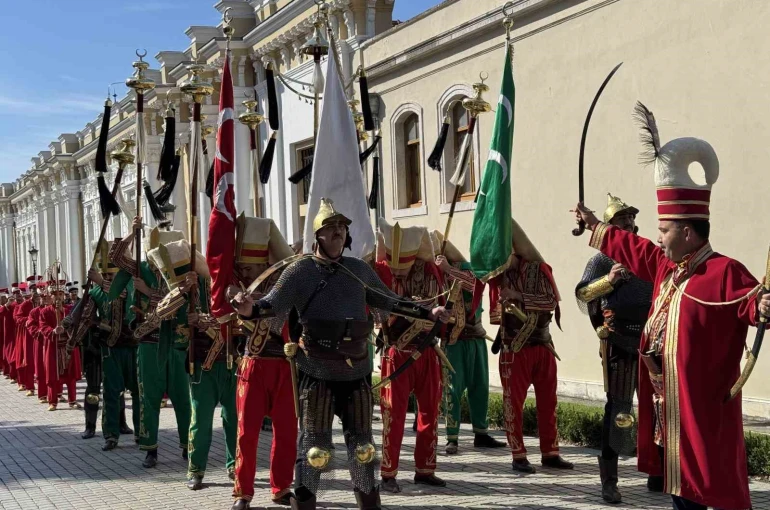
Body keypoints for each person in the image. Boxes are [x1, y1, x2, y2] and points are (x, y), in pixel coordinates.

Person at [574, 101, 770, 510]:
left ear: (686, 230)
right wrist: (595, 226)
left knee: (707, 492)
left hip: (702, 414)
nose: (657, 237)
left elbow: (753, 305)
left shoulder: (725, 272)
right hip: (670, 413)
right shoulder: (668, 266)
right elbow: (632, 247)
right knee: (680, 492)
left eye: (664, 230)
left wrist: (764, 306)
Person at [232, 199, 450, 510]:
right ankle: (304, 505)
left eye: (342, 229)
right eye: (331, 229)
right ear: (318, 235)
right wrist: (249, 309)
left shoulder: (359, 270)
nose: (338, 233)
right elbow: (271, 303)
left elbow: (390, 301)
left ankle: (370, 506)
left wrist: (429, 313)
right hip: (317, 371)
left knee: (363, 448)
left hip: (356, 371)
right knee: (315, 449)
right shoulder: (300, 272)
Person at [575, 194, 662, 503]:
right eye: (622, 218)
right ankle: (609, 481)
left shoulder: (646, 253)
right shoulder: (601, 259)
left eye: (630, 218)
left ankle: (658, 471)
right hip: (620, 340)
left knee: (659, 407)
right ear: (610, 226)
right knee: (619, 410)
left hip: (652, 341)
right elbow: (584, 293)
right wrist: (608, 282)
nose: (629, 222)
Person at [146, 238, 233, 490]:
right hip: (201, 365)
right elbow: (160, 314)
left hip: (230, 360)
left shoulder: (219, 285)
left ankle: (234, 466)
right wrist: (182, 290)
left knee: (234, 418)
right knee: (200, 420)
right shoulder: (179, 294)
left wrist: (206, 321)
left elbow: (237, 320)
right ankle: (196, 470)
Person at [489, 219, 574, 474]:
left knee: (548, 402)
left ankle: (550, 453)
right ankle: (518, 455)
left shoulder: (539, 269)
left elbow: (550, 301)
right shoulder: (501, 276)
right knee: (512, 403)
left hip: (542, 344)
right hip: (514, 348)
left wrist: (518, 297)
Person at [373, 219, 448, 494]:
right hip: (397, 353)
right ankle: (388, 472)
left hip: (427, 351)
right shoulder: (381, 271)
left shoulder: (429, 271)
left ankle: (425, 470)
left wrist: (432, 310)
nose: (398, 270)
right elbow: (379, 314)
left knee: (429, 412)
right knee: (393, 416)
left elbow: (440, 302)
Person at [231, 214, 297, 510]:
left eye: (248, 266)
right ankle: (242, 493)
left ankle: (282, 488)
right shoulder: (233, 288)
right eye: (241, 266)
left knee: (286, 433)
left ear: (263, 264)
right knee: (247, 433)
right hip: (253, 365)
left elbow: (286, 318)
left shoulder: (284, 286)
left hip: (284, 365)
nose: (243, 270)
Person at [115, 220, 191, 469]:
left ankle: (187, 446)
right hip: (149, 342)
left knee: (182, 398)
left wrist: (148, 292)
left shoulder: (180, 271)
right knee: (149, 398)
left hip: (176, 342)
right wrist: (132, 233)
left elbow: (181, 299)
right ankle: (151, 448)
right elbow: (117, 257)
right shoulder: (141, 268)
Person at [433, 235, 506, 455]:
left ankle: (481, 433)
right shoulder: (435, 275)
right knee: (452, 389)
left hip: (475, 338)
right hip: (452, 342)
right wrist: (442, 271)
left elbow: (476, 284)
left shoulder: (466, 269)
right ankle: (452, 437)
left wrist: (448, 269)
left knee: (480, 386)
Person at [88, 239, 141, 451]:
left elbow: (123, 296)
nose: (110, 277)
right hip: (110, 347)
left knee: (138, 392)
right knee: (110, 392)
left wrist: (101, 282)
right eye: (107, 275)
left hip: (133, 346)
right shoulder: (95, 292)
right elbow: (86, 317)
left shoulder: (129, 282)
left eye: (112, 275)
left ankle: (142, 433)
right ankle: (111, 435)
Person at [40, 282, 81, 411]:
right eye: (55, 295)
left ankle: (72, 400)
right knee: (53, 374)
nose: (58, 297)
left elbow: (77, 325)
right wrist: (52, 331)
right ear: (50, 296)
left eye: (60, 294)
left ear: (64, 296)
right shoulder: (45, 311)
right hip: (54, 347)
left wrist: (67, 329)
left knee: (71, 374)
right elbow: (42, 326)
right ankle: (52, 401)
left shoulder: (70, 309)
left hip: (68, 347)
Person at [27, 287, 48, 405]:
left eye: (47, 297)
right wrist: (39, 332)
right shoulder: (34, 311)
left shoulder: (55, 310)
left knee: (54, 369)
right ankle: (43, 394)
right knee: (40, 368)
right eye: (43, 297)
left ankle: (56, 394)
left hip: (52, 342)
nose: (45, 299)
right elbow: (30, 325)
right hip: (40, 342)